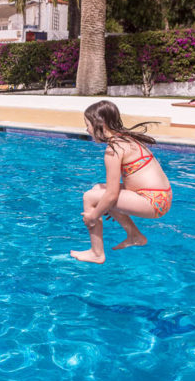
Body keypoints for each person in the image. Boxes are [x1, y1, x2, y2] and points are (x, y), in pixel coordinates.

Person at [70, 100, 172, 264]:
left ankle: (97, 253)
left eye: (87, 124)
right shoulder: (127, 139)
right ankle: (134, 235)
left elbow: (111, 195)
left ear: (100, 124)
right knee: (98, 189)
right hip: (162, 198)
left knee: (90, 197)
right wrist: (106, 206)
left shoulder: (113, 150)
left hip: (153, 202)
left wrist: (93, 217)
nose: (86, 129)